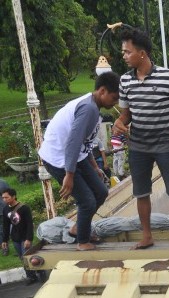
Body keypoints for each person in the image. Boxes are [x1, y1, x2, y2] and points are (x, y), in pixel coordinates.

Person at [113, 27, 169, 250]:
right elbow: (127, 114)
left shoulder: (168, 77)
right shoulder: (125, 81)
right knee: (141, 193)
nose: (124, 56)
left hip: (164, 143)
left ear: (142, 53)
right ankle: (147, 236)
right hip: (138, 145)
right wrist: (119, 123)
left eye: (127, 52)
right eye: (123, 52)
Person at [39, 71, 120, 251]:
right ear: (102, 91)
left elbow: (85, 142)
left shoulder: (94, 106)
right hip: (59, 158)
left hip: (76, 155)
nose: (115, 103)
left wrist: (94, 167)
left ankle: (77, 228)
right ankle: (82, 242)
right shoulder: (89, 109)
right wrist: (69, 175)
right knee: (87, 201)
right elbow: (73, 142)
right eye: (114, 98)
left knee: (100, 192)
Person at [1, 189, 39, 284]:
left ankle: (31, 277)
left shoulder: (24, 208)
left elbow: (29, 224)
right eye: (3, 198)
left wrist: (28, 239)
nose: (4, 199)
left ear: (13, 196)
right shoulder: (5, 209)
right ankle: (35, 272)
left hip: (25, 237)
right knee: (22, 258)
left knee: (26, 257)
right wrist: (4, 240)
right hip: (15, 238)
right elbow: (5, 226)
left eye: (6, 197)